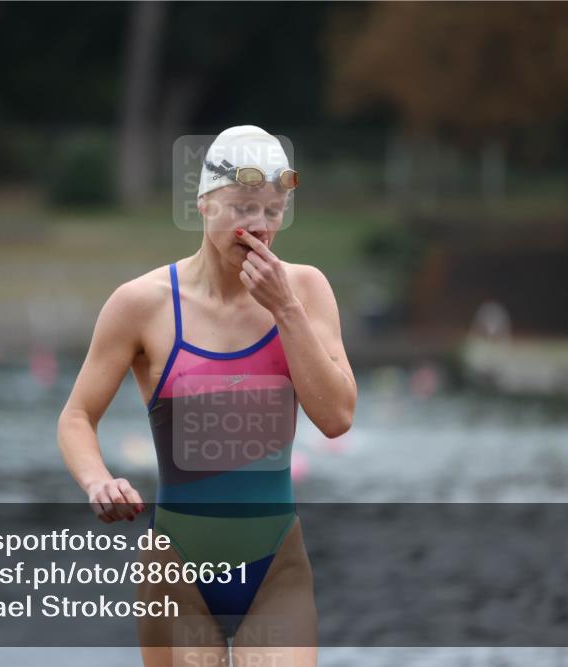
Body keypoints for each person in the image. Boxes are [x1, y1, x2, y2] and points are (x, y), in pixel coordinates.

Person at [58, 126, 356, 666]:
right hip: (177, 572)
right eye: (244, 206)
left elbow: (336, 418)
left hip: (276, 570)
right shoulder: (141, 304)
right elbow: (78, 415)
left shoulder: (306, 290)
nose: (262, 226)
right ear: (203, 203)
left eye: (274, 208)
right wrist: (98, 480)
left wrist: (286, 311)